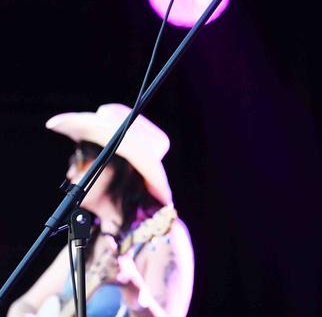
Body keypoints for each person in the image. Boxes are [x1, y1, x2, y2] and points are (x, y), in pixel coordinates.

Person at [8, 103, 194, 317]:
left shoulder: (165, 236)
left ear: (118, 167)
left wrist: (135, 293)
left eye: (81, 160)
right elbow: (22, 306)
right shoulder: (85, 239)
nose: (70, 173)